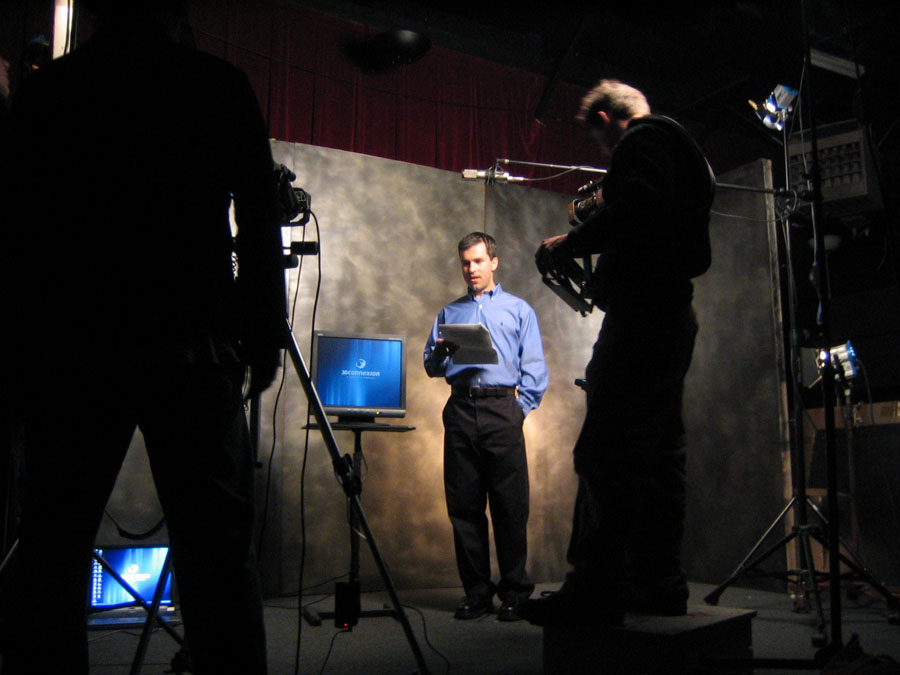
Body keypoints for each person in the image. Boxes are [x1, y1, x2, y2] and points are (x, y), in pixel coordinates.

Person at [0, 1, 285, 672]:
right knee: (217, 553)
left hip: (73, 346)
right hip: (192, 343)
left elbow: (17, 229)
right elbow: (257, 218)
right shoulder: (218, 84)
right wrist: (263, 332)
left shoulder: (51, 90)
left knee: (53, 544)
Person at [523, 80, 714, 625]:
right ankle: (658, 583)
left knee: (605, 451)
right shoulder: (683, 150)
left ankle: (595, 589)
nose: (604, 152)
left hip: (641, 317)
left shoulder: (642, 139)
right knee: (659, 457)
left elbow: (637, 208)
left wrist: (572, 241)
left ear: (606, 120)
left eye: (598, 140)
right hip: (670, 315)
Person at [424, 232, 548, 622]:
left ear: (494, 262)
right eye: (465, 263)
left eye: (478, 261)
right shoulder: (449, 313)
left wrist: (518, 410)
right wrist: (442, 350)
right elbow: (431, 366)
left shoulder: (519, 310)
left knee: (510, 507)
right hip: (461, 409)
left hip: (502, 410)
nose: (471, 269)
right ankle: (477, 593)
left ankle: (515, 592)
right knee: (464, 508)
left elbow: (535, 369)